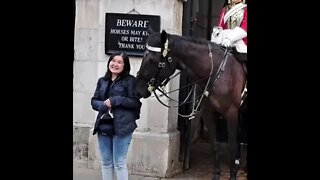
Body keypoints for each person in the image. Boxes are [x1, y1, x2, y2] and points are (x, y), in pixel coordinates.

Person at [91, 52, 142, 180]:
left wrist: (116, 100)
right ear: (109, 62)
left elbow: (135, 103)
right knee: (106, 162)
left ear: (125, 66)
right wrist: (102, 105)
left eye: (120, 62)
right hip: (104, 125)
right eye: (113, 61)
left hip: (123, 127)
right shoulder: (102, 81)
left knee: (119, 162)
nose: (115, 64)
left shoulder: (130, 81)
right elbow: (94, 101)